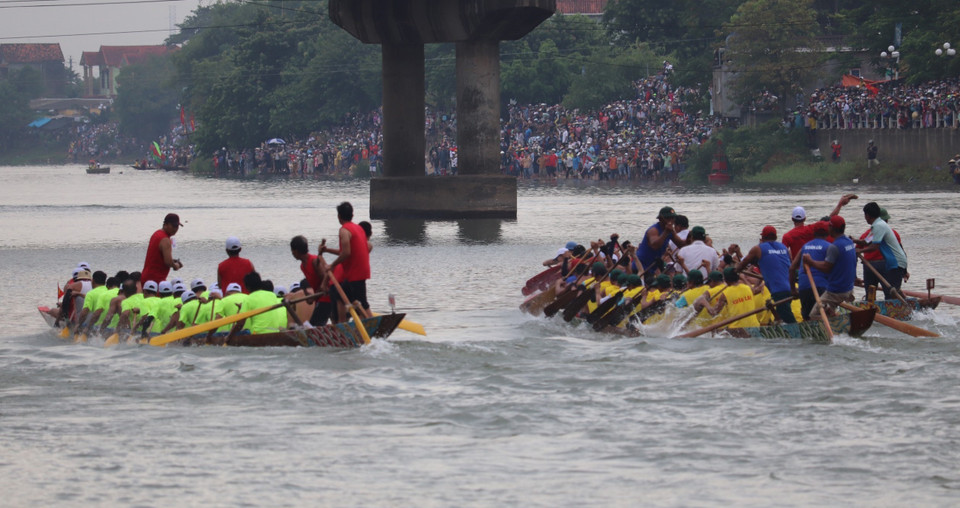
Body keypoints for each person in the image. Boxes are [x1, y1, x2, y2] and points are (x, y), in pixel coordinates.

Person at [322, 202, 371, 321]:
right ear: (352, 215)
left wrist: (332, 265)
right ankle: (342, 325)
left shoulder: (344, 230)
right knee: (340, 295)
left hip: (355, 272)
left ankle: (372, 325)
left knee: (361, 302)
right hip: (358, 271)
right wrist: (327, 250)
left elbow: (346, 253)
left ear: (339, 216)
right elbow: (346, 251)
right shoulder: (358, 228)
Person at [736, 225, 796, 323]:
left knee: (788, 320)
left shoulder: (758, 248)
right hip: (791, 287)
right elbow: (791, 265)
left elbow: (743, 263)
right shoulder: (784, 248)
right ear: (776, 237)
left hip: (778, 289)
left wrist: (735, 271)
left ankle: (797, 333)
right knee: (782, 313)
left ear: (763, 237)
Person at [803, 216, 857, 318]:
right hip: (849, 288)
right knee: (825, 308)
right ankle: (831, 312)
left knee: (814, 315)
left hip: (836, 291)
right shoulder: (849, 242)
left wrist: (811, 262)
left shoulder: (834, 247)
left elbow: (826, 267)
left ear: (831, 228)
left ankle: (836, 322)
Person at [781, 194, 857, 260]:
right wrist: (840, 204)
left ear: (792, 219)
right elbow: (831, 220)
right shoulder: (812, 229)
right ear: (805, 218)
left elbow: (782, 255)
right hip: (813, 266)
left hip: (798, 269)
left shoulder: (787, 236)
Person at [857, 201, 908, 298]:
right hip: (891, 263)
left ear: (867, 215)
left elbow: (874, 247)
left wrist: (860, 251)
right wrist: (853, 240)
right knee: (888, 293)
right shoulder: (877, 225)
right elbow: (867, 241)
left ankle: (900, 311)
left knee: (891, 296)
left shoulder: (879, 225)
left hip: (896, 263)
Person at [789, 221, 830, 320]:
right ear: (827, 233)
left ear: (813, 233)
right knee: (825, 314)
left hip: (804, 287)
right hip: (822, 287)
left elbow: (792, 268)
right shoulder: (829, 246)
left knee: (807, 318)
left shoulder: (805, 247)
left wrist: (793, 290)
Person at [636, 206, 689, 273]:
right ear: (661, 219)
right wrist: (666, 232)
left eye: (673, 218)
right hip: (641, 266)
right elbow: (655, 246)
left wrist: (690, 238)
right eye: (668, 218)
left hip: (653, 267)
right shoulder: (653, 230)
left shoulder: (670, 231)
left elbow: (681, 245)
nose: (671, 221)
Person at [141, 213, 183, 286]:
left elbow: (157, 257)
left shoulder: (156, 234)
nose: (175, 229)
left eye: (177, 226)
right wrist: (176, 265)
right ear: (165, 224)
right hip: (155, 280)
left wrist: (172, 260)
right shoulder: (165, 240)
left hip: (146, 277)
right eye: (173, 226)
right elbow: (168, 262)